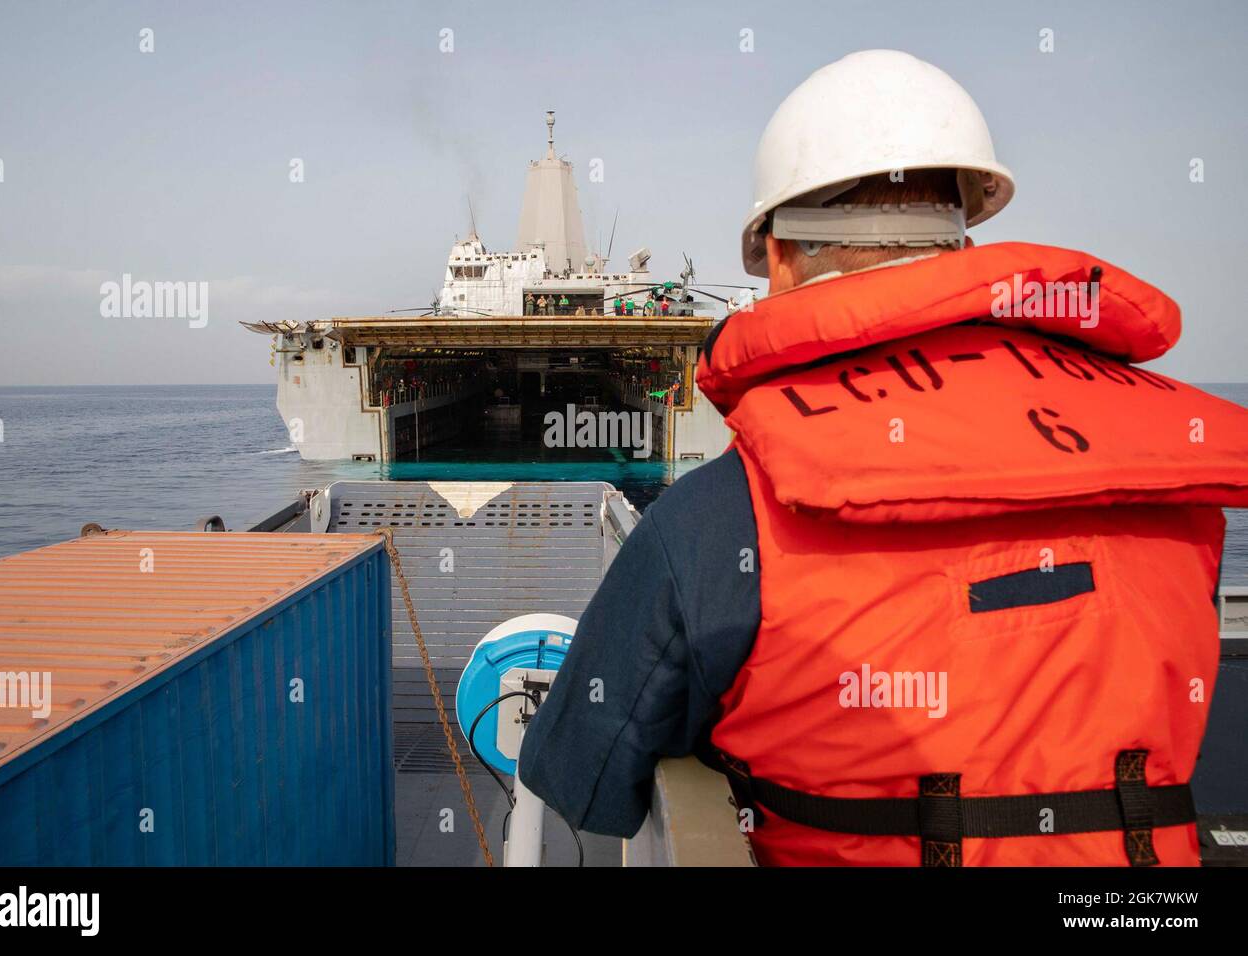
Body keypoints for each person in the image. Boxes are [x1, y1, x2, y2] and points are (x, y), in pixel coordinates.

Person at [518, 49, 1248, 867]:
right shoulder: (1172, 484)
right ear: (967, 242)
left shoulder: (720, 519)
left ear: (782, 258)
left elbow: (581, 777)